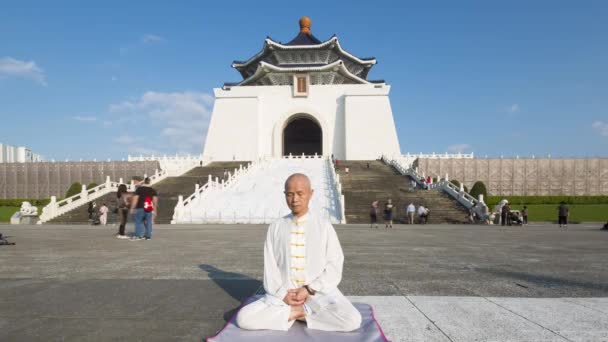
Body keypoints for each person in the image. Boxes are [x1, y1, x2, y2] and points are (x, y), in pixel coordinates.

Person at [235, 173, 362, 332]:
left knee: (352, 320)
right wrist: (283, 295)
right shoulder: (276, 227)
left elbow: (335, 264)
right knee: (244, 318)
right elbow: (271, 268)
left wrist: (309, 289)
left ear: (311, 194)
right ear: (285, 195)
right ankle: (300, 313)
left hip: (317, 294)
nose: (294, 199)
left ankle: (295, 313)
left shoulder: (324, 226)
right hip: (285, 296)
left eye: (300, 193)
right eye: (290, 194)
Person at [130, 176, 158, 241]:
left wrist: (132, 208)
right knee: (148, 222)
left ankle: (138, 235)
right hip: (149, 208)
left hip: (140, 207)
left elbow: (135, 199)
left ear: (144, 182)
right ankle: (148, 236)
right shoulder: (153, 190)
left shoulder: (139, 189)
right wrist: (155, 211)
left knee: (138, 222)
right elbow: (155, 202)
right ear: (150, 182)